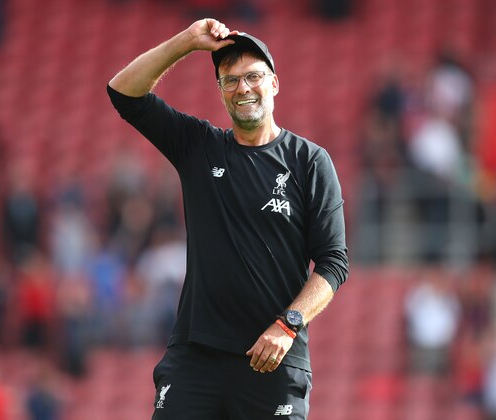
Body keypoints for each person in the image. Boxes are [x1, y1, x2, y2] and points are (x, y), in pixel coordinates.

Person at [107, 18, 349, 419]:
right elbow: (123, 93)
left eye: (253, 76)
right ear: (220, 92)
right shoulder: (199, 147)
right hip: (196, 357)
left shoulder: (310, 161)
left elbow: (334, 263)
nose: (243, 88)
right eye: (230, 80)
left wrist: (288, 325)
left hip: (271, 357)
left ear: (274, 84)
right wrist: (186, 42)